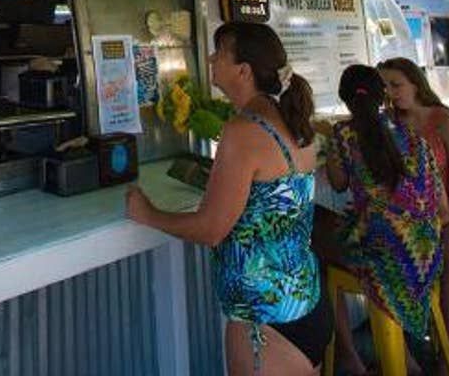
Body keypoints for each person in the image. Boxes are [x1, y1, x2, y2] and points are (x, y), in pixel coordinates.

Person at [127, 22, 331, 375]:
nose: (210, 59)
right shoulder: (292, 121)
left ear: (243, 70)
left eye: (219, 53)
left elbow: (211, 229)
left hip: (263, 320)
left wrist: (148, 214)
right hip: (306, 303)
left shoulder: (243, 130)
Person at [324, 64, 445, 375]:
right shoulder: (411, 134)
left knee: (316, 257)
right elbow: (440, 202)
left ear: (344, 98)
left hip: (384, 258)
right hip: (426, 254)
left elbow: (337, 183)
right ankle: (403, 357)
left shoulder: (343, 133)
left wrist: (329, 140)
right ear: (382, 97)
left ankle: (348, 356)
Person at [376, 57, 449, 363]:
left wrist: (436, 222)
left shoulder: (445, 122)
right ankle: (404, 359)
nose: (391, 93)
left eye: (396, 85)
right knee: (384, 263)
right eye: (384, 87)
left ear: (416, 84)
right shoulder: (388, 124)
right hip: (411, 218)